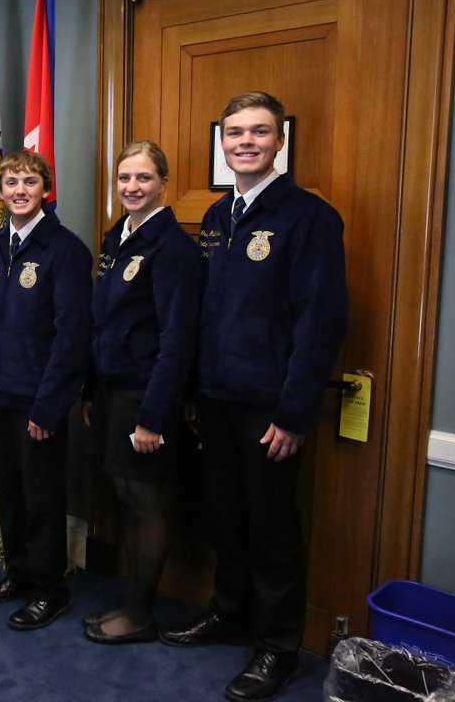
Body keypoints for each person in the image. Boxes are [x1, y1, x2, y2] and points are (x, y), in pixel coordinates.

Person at [159, 92, 347, 702]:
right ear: (223, 142)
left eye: (259, 132)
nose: (245, 141)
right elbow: (204, 313)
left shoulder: (309, 217)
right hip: (215, 397)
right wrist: (192, 391)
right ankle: (229, 613)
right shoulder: (217, 215)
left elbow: (320, 321)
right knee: (226, 518)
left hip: (270, 406)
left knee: (270, 530)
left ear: (279, 141)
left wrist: (294, 412)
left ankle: (277, 648)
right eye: (235, 132)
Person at [80, 141, 201, 645]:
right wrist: (90, 390)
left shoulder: (173, 249)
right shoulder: (117, 239)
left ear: (163, 184)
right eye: (124, 178)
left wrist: (152, 416)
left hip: (146, 397)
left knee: (146, 500)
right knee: (127, 496)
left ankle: (141, 614)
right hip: (112, 392)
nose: (132, 187)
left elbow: (178, 339)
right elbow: (103, 322)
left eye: (144, 179)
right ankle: (132, 602)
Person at [0, 151, 91, 630]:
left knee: (42, 499)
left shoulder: (65, 250)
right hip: (0, 393)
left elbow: (72, 337)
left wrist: (49, 405)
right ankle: (17, 572)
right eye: (11, 182)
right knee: (11, 495)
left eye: (29, 182)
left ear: (46, 189)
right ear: (0, 191)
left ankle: (49, 589)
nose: (19, 190)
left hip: (40, 401)